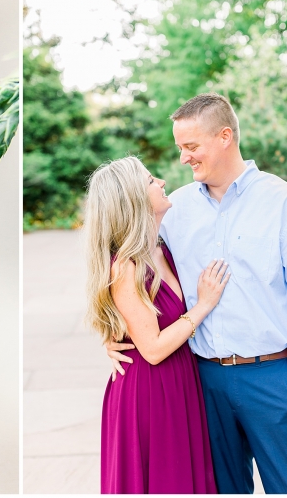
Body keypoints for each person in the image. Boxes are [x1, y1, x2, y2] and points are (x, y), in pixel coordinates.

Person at [106, 93, 287, 494]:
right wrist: (113, 332)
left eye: (191, 147)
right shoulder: (173, 209)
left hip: (272, 379)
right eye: (180, 148)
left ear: (225, 137)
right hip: (202, 385)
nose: (183, 158)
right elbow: (121, 265)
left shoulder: (286, 205)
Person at [85, 156, 230, 493]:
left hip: (180, 381)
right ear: (133, 198)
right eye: (151, 180)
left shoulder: (162, 248)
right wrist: (204, 305)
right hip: (150, 392)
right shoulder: (127, 267)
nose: (162, 182)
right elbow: (151, 350)